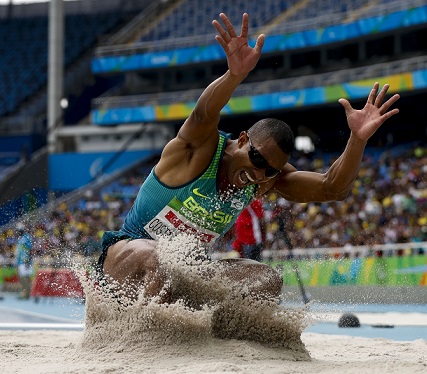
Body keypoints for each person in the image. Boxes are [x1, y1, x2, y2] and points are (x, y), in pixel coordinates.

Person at [97, 12, 400, 304]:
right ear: (242, 140)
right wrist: (234, 75)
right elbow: (204, 113)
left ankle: (214, 336)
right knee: (161, 257)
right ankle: (144, 337)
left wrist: (357, 140)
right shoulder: (198, 150)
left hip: (181, 273)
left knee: (265, 279)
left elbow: (333, 188)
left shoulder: (263, 180)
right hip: (126, 259)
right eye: (256, 158)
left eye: (269, 171)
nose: (258, 174)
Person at [14, 225, 33, 299]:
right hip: (20, 261)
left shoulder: (26, 237)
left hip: (25, 261)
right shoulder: (21, 238)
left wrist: (28, 261)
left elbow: (30, 249)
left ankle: (27, 293)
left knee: (23, 277)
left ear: (21, 230)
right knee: (24, 277)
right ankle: (26, 293)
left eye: (18, 230)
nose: (17, 232)